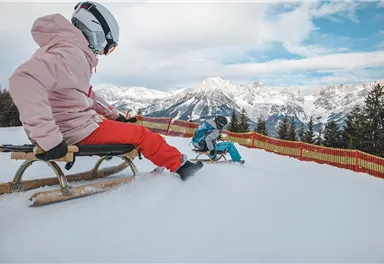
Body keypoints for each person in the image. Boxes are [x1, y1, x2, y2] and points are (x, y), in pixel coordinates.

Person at [8, 1, 203, 181]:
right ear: (98, 34)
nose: (102, 52)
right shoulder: (71, 54)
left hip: (67, 126)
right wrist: (49, 138)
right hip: (70, 131)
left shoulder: (62, 50)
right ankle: (181, 166)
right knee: (142, 134)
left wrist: (115, 115)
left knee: (126, 129)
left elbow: (86, 94)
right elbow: (24, 80)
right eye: (107, 47)